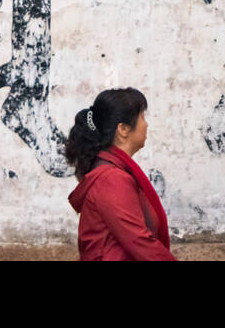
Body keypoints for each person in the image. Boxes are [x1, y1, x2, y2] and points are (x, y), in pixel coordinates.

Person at [66, 87, 175, 261]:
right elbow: (139, 241)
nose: (146, 125)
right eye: (142, 118)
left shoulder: (113, 171)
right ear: (123, 129)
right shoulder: (112, 179)